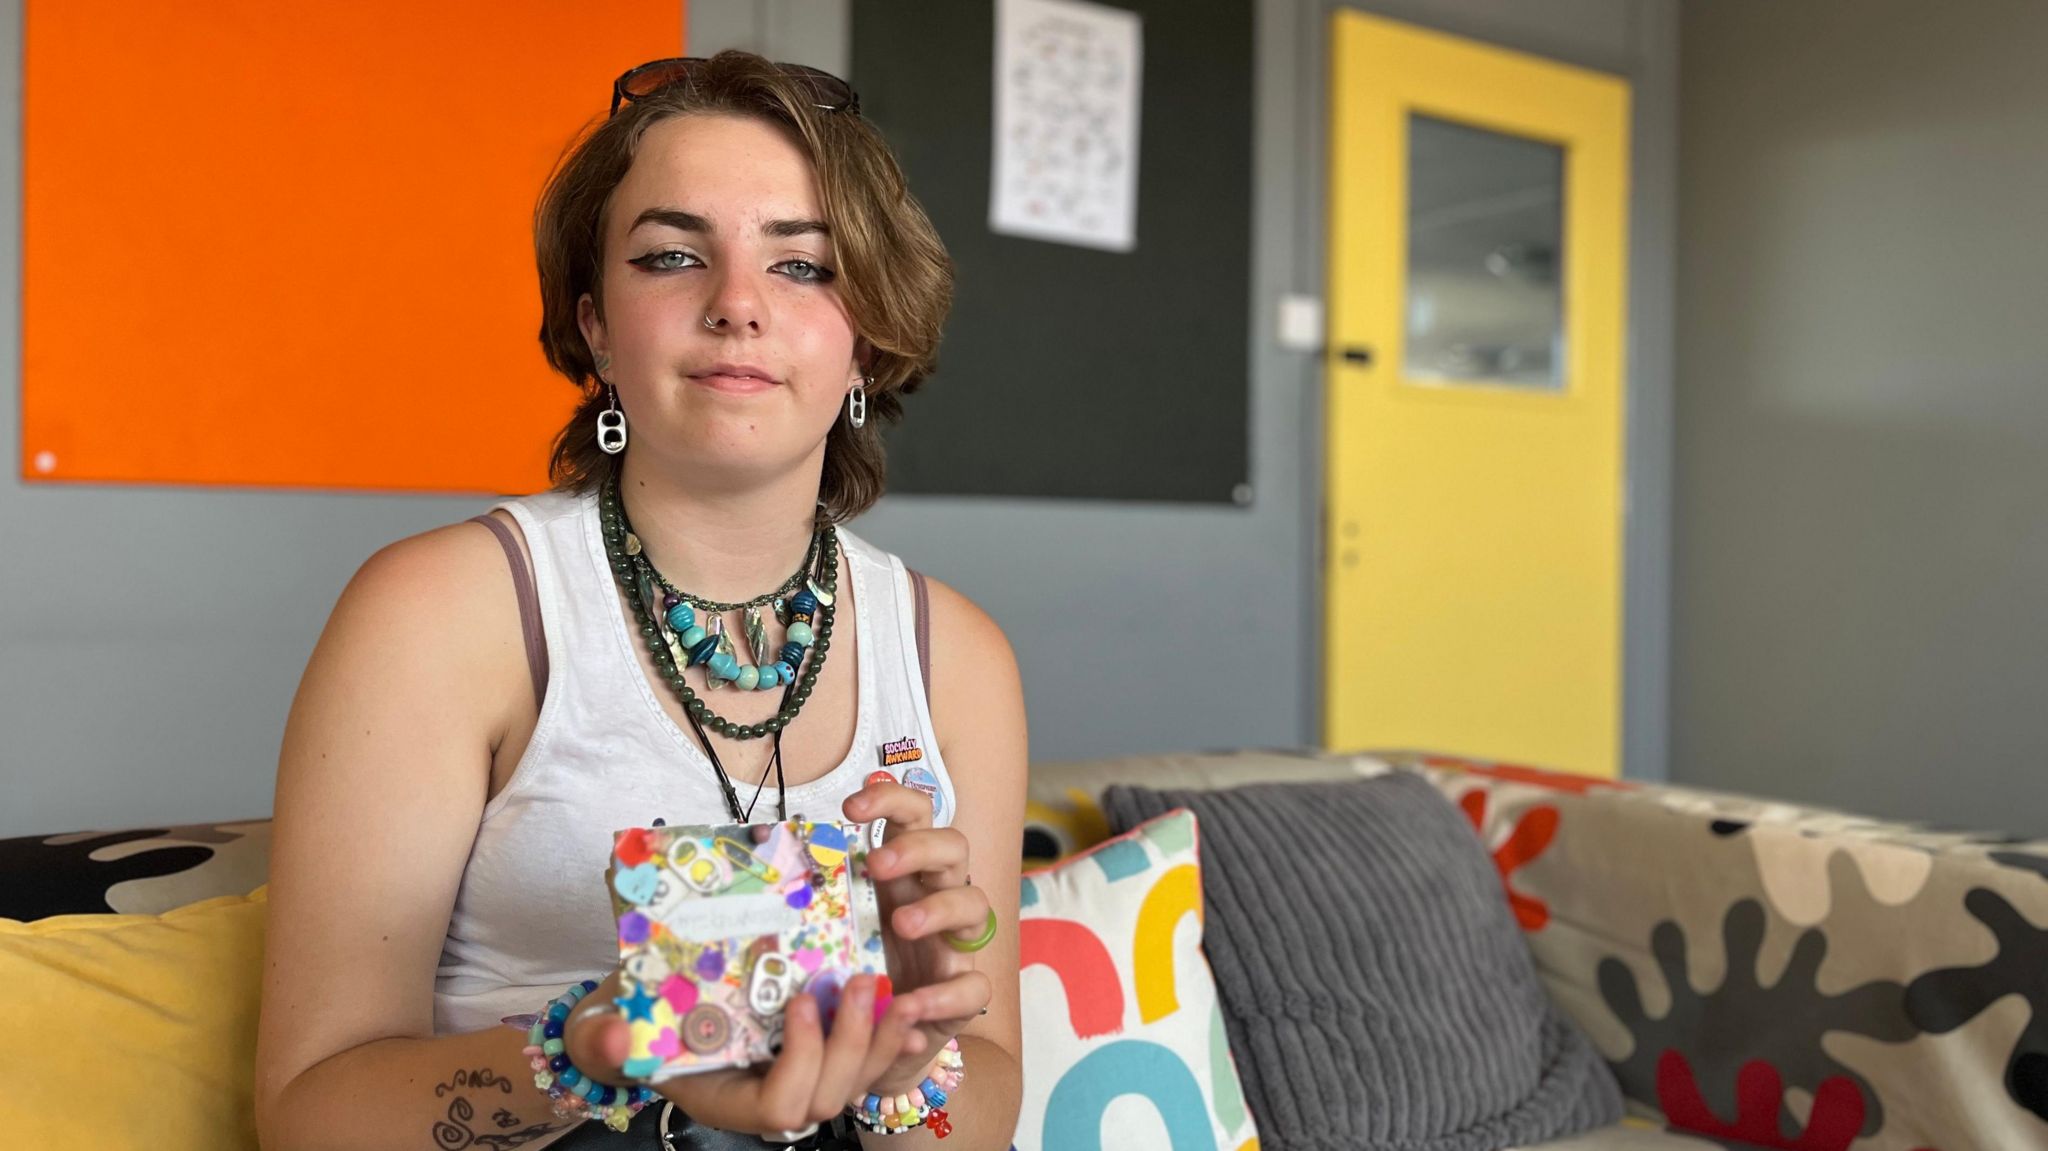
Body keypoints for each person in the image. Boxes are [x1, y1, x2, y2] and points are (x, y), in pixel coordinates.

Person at [253, 52, 1027, 1150]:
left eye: (802, 266)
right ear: (598, 328)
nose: (737, 306)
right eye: (672, 256)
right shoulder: (441, 612)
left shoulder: (959, 657)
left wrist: (908, 1057)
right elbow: (306, 1115)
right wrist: (591, 1051)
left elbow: (980, 1102)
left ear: (867, 335)